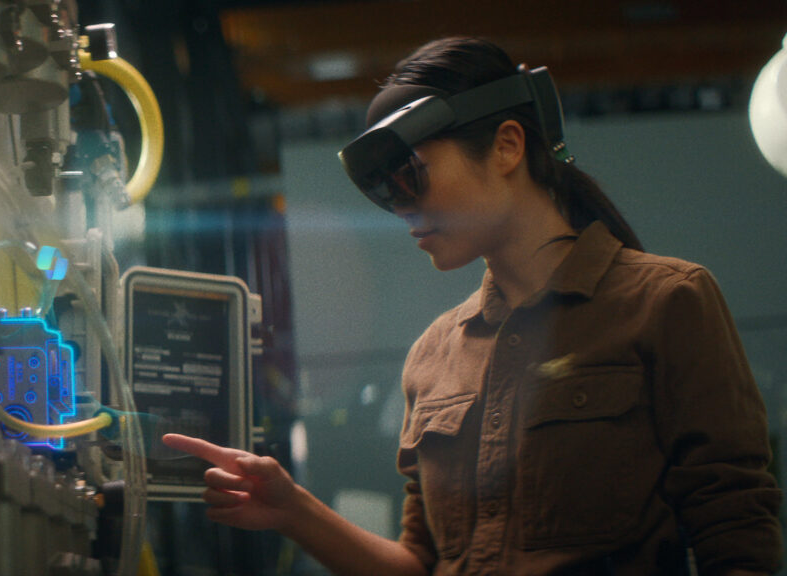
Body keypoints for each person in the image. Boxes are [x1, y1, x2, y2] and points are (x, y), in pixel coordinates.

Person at [163, 37, 783, 575]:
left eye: (411, 174)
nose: (401, 206)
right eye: (385, 193)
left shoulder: (667, 302)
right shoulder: (433, 356)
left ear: (508, 146)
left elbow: (738, 541)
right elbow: (421, 565)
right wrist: (293, 511)